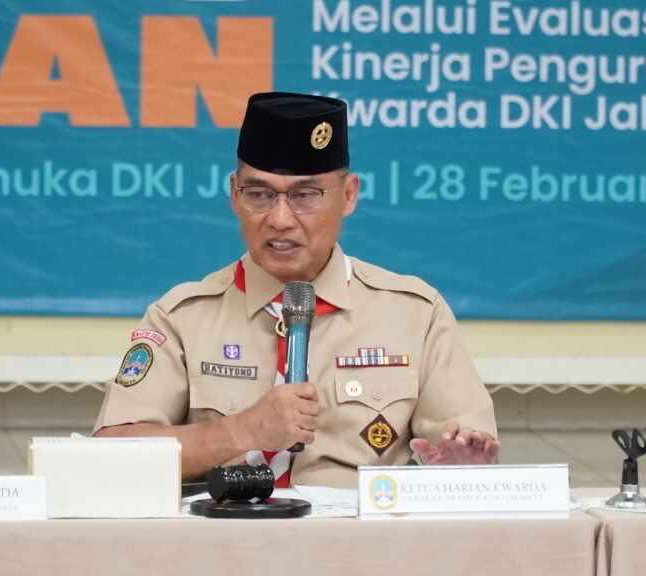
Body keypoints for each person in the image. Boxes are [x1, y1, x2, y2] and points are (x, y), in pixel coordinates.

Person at [94, 92, 499, 488]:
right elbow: (109, 459)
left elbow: (466, 453)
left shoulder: (415, 314)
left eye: (306, 195)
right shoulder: (182, 317)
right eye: (259, 195)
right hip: (224, 531)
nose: (280, 219)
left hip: (358, 532)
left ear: (348, 196)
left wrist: (463, 471)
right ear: (234, 195)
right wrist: (242, 430)